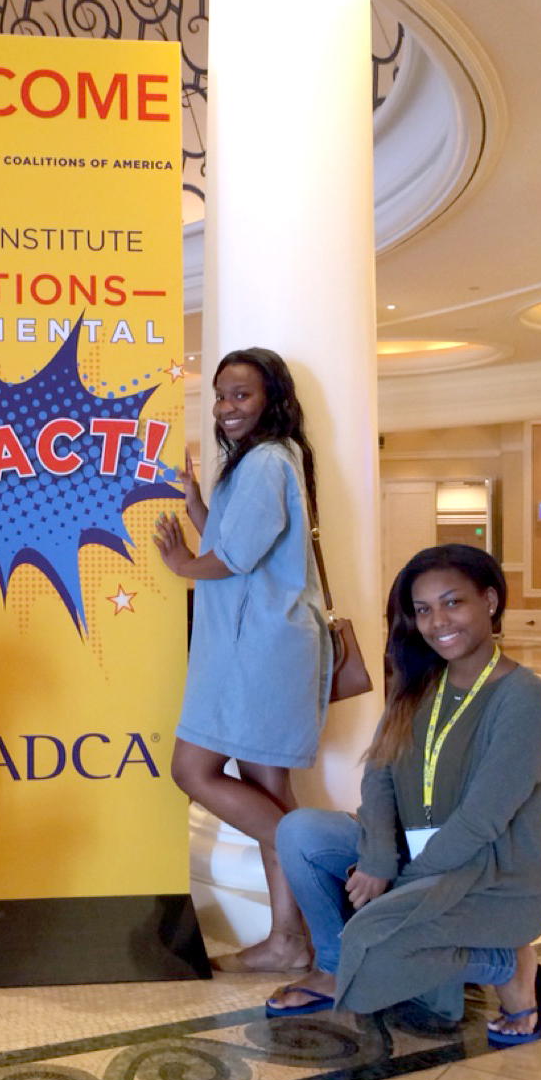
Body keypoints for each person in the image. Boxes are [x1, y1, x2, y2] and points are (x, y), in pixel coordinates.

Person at [267, 545, 541, 1047]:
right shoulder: (420, 680)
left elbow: (480, 822)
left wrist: (400, 885)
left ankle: (505, 963)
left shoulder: (524, 697)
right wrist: (377, 857)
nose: (437, 621)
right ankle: (336, 968)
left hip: (488, 877)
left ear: (489, 601)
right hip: (410, 860)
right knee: (299, 832)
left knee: (372, 947)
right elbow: (379, 772)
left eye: (453, 603)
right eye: (423, 610)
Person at [153, 347, 330, 974]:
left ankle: (296, 890)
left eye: (242, 395)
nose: (227, 408)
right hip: (255, 648)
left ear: (270, 399)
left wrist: (181, 566)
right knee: (270, 790)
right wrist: (197, 501)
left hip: (259, 652)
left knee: (192, 769)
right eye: (222, 396)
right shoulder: (260, 463)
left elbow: (235, 558)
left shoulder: (265, 463)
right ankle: (292, 938)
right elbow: (231, 539)